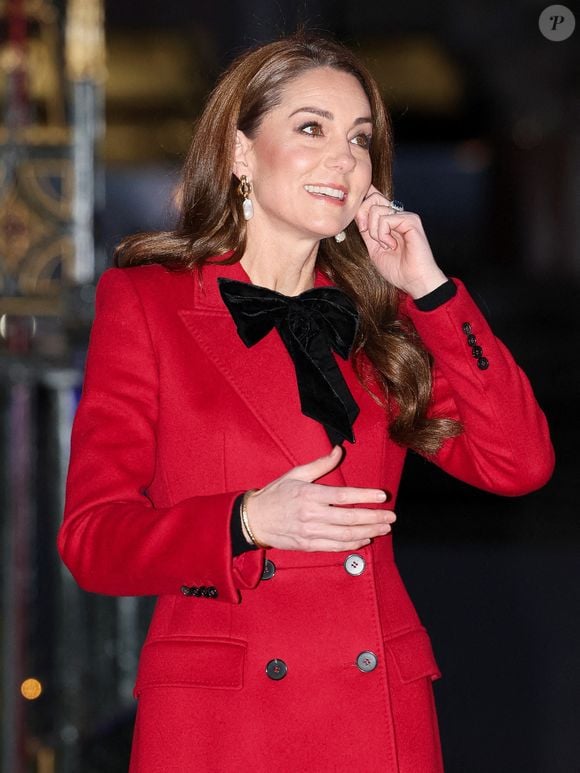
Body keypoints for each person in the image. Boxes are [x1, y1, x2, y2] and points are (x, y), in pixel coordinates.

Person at [58, 33, 554, 773]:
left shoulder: (377, 322)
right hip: (225, 724)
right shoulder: (148, 302)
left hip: (375, 714)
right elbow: (92, 540)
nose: (345, 160)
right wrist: (246, 520)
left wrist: (431, 291)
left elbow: (520, 462)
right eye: (311, 128)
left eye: (360, 139)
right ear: (239, 153)